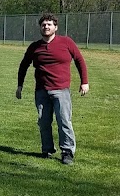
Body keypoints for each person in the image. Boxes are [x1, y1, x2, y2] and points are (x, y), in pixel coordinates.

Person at [16, 12, 89, 164]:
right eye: (43, 25)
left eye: (49, 24)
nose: (46, 27)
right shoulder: (35, 47)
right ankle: (47, 149)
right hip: (41, 91)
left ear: (55, 27)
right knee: (43, 122)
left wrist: (84, 82)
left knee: (64, 121)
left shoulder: (66, 42)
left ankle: (67, 152)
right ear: (40, 28)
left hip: (61, 90)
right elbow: (24, 65)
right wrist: (20, 85)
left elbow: (79, 60)